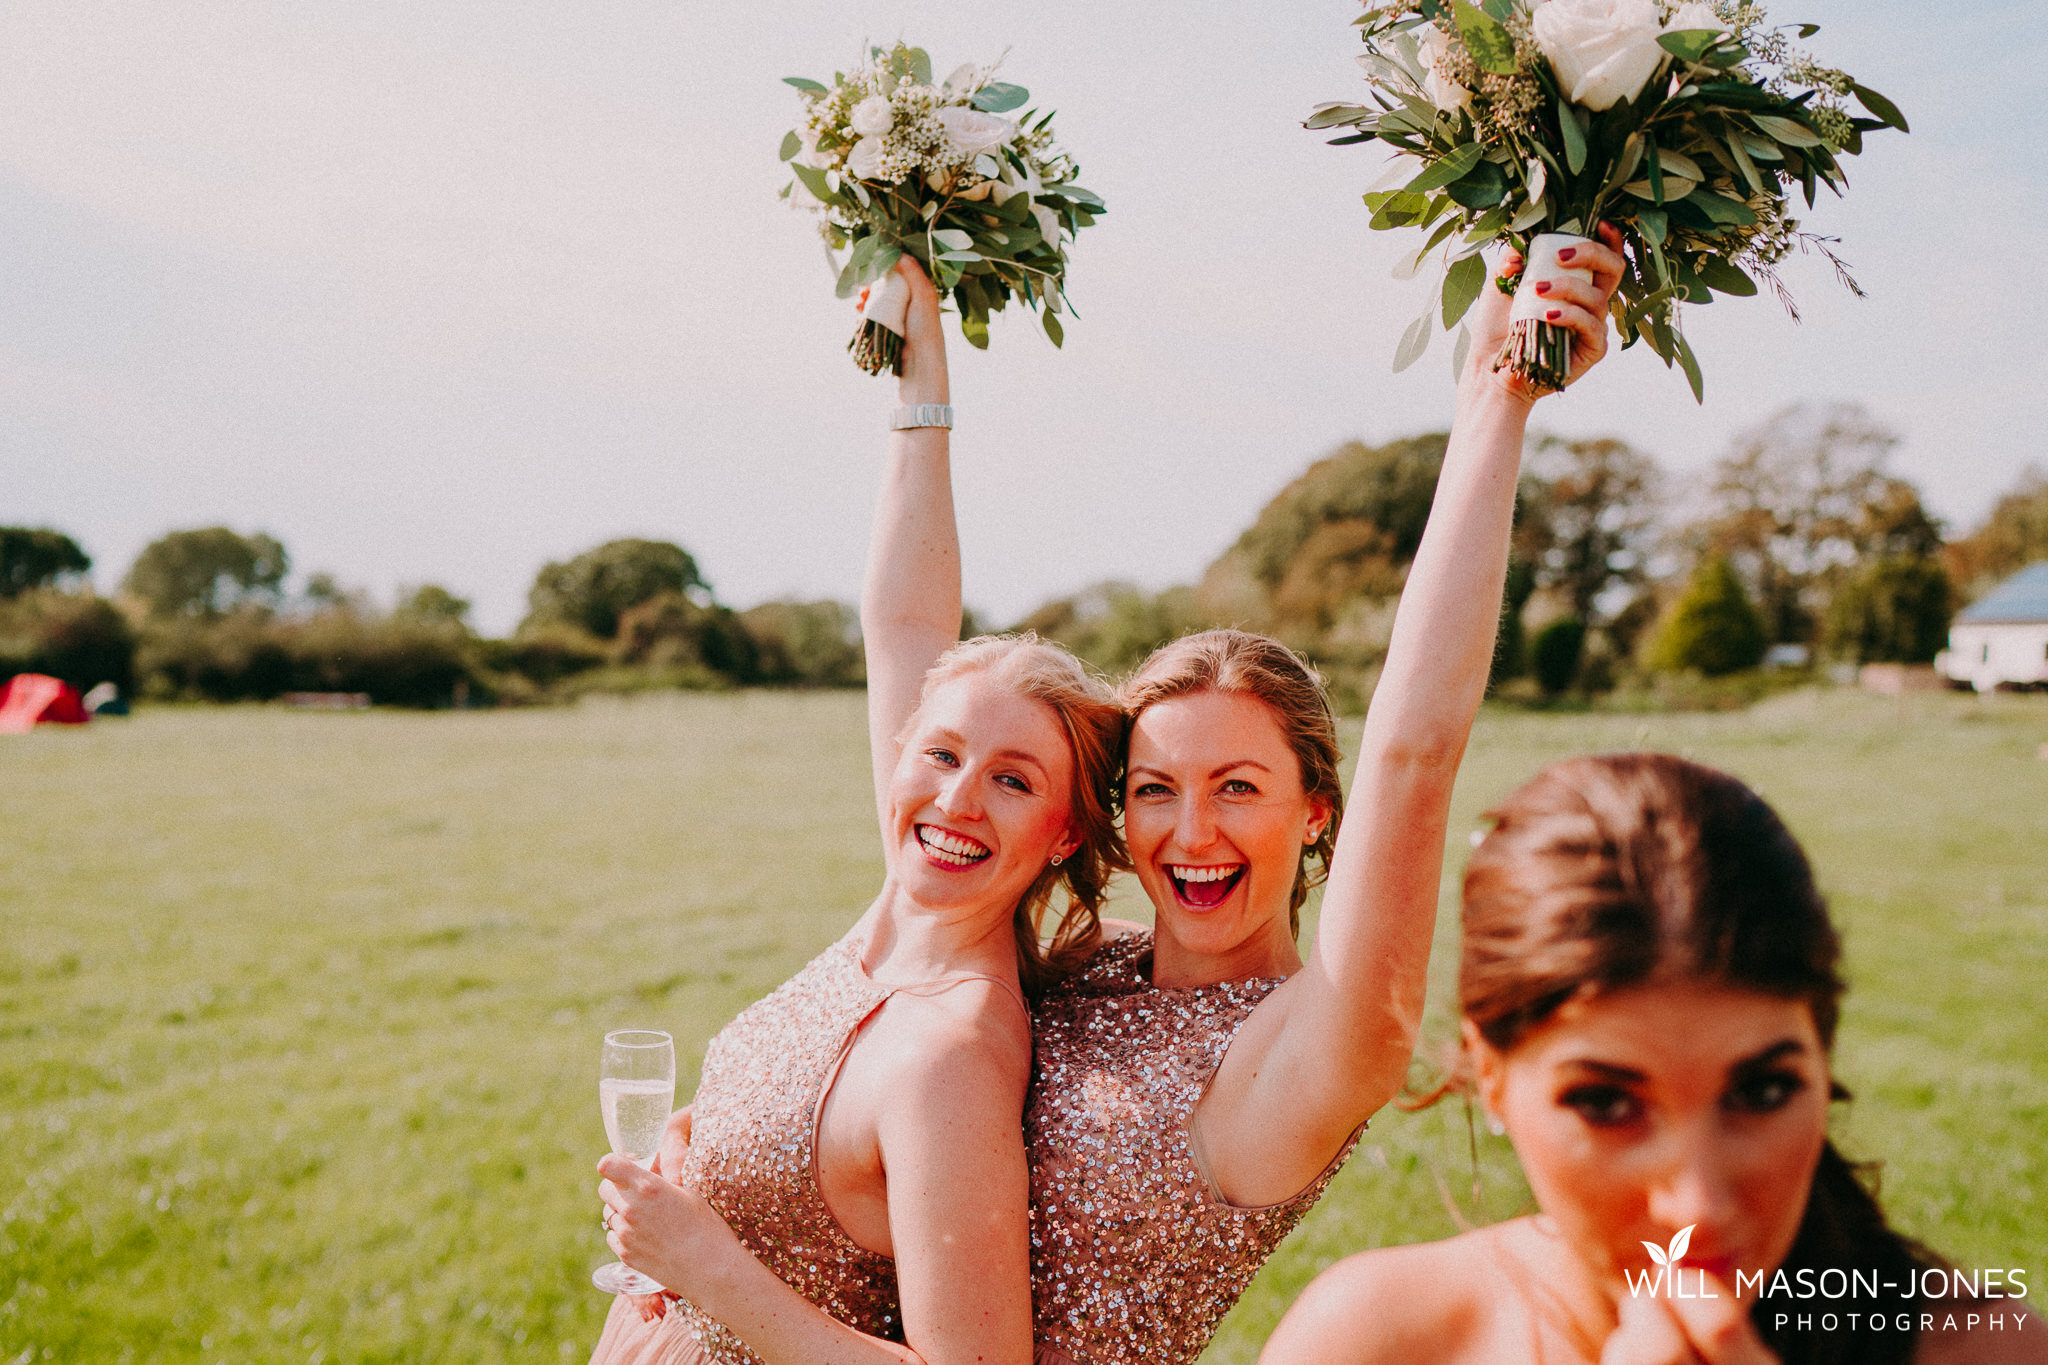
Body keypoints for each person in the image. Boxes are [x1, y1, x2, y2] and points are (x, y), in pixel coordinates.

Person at [1019, 227, 1626, 1365]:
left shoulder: (1319, 1040)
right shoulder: (1079, 963)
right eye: (1154, 789)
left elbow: (1412, 751)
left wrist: (1496, 404)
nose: (1190, 833)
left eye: (1237, 787)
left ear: (1313, 813)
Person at [585, 253, 1127, 1365]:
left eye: (1014, 780)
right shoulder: (891, 928)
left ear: (1063, 831)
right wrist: (918, 381)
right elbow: (904, 623)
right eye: (938, 753)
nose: (955, 798)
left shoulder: (949, 1056)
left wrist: (706, 1269)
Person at [1260, 753, 2047, 1365]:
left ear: (1822, 1054)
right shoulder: (1373, 1339)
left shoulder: (1990, 1350)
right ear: (1490, 1077)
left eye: (1764, 1089)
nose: (1697, 1203)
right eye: (1605, 1103)